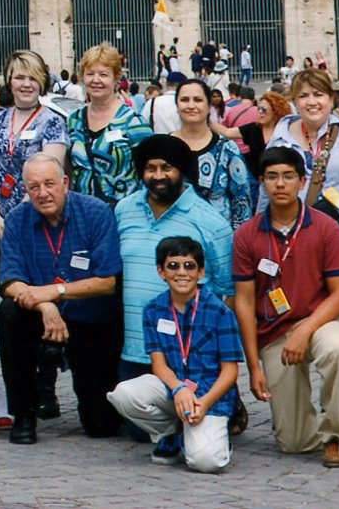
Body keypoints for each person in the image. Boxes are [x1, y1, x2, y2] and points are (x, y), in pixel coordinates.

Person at [229, 147, 339, 467]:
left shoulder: (325, 227)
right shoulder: (246, 235)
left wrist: (305, 331)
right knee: (294, 443)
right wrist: (253, 366)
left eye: (288, 176)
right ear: (261, 182)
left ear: (302, 181)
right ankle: (326, 424)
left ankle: (337, 435)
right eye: (272, 177)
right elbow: (244, 301)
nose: (280, 184)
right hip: (274, 330)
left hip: (320, 321)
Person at [0, 154, 123, 443]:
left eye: (49, 184)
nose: (43, 193)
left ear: (65, 182)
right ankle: (23, 414)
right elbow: (9, 281)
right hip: (38, 316)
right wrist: (45, 305)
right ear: (26, 190)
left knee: (101, 425)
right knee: (7, 313)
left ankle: (71, 380)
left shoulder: (96, 212)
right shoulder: (16, 219)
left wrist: (55, 292)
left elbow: (107, 282)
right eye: (34, 187)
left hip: (88, 319)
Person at [107, 236, 241, 472]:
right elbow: (159, 365)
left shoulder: (220, 312)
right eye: (173, 266)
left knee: (206, 462)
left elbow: (230, 371)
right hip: (173, 388)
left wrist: (204, 403)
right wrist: (179, 389)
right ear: (161, 271)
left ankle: (211, 438)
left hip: (209, 395)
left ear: (200, 272)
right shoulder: (153, 310)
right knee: (123, 394)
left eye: (189, 266)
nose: (182, 273)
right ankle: (171, 432)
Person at [114, 135, 233, 382]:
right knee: (128, 401)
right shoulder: (124, 210)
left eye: (167, 167)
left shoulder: (211, 222)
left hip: (191, 354)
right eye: (150, 168)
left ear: (181, 170)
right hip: (134, 351)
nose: (158, 176)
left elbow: (229, 291)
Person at [269, 67, 339, 232]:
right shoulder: (281, 138)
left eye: (318, 95)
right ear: (294, 101)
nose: (311, 102)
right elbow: (266, 189)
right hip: (293, 233)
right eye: (303, 96)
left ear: (331, 99)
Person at [0, 51, 69, 243]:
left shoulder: (52, 122)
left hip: (35, 223)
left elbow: (48, 178)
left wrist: (14, 220)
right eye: (20, 78)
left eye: (33, 78)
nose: (26, 84)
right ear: (9, 81)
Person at [67, 43, 152, 204]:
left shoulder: (133, 122)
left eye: (103, 75)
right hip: (81, 212)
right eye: (90, 74)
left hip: (122, 212)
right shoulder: (73, 120)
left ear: (116, 78)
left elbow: (149, 171)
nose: (96, 80)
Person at [171, 79, 255, 228]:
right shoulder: (163, 148)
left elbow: (242, 202)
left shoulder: (227, 149)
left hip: (218, 236)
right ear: (176, 105)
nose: (191, 105)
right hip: (173, 235)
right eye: (184, 100)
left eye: (198, 100)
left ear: (209, 105)